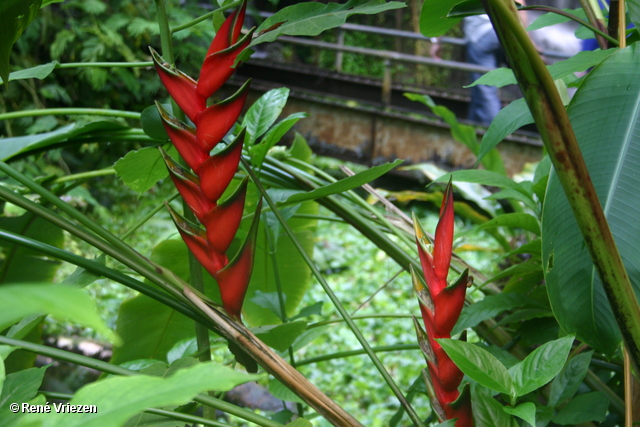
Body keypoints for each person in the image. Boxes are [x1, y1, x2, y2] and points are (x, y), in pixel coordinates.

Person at [431, 1, 527, 125]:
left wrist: (437, 41)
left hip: (481, 35)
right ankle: (473, 126)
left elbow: (447, 9)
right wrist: (527, 39)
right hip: (505, 30)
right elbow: (520, 4)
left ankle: (496, 136)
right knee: (481, 88)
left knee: (485, 87)